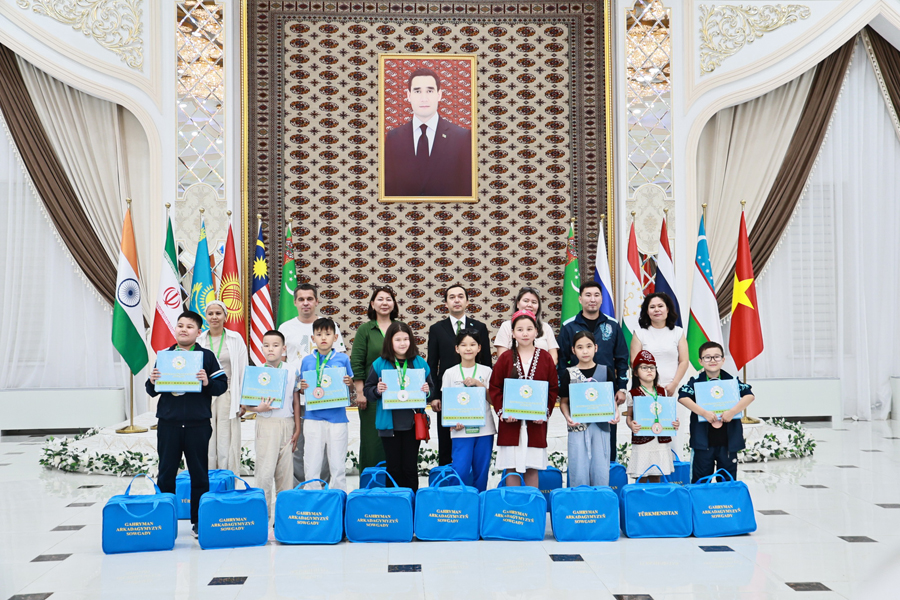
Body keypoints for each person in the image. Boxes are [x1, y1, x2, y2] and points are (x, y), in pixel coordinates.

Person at [147, 310, 227, 536]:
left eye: (189, 326)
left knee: (199, 474)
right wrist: (152, 381)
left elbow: (222, 386)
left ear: (198, 332)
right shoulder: (165, 355)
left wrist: (206, 382)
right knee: (166, 473)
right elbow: (152, 390)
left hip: (197, 424)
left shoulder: (206, 356)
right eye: (180, 325)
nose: (183, 329)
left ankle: (199, 520)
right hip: (168, 422)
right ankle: (165, 519)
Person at [279, 283, 347, 484]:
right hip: (297, 394)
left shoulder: (329, 325)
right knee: (300, 445)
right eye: (301, 299)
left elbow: (340, 359)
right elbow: (282, 362)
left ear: (317, 301)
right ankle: (303, 487)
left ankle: (325, 487)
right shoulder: (286, 327)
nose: (306, 303)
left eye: (310, 299)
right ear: (295, 302)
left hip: (327, 396)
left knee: (327, 447)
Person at [557, 281, 629, 461]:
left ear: (601, 299)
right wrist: (566, 385)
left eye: (596, 295)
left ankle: (608, 481)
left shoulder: (612, 325)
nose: (592, 299)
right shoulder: (569, 326)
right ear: (580, 299)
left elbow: (621, 358)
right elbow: (560, 360)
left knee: (606, 443)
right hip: (578, 394)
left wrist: (621, 387)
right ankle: (581, 483)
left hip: (606, 392)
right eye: (588, 295)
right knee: (579, 442)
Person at [489, 310, 559, 489]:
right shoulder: (505, 358)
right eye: (520, 329)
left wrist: (544, 412)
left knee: (532, 467)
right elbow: (495, 387)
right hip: (511, 422)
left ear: (537, 331)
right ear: (512, 333)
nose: (525, 333)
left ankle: (531, 508)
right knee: (511, 468)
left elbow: (552, 387)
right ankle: (514, 510)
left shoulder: (545, 358)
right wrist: (503, 411)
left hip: (536, 423)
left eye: (529, 329)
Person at [426, 282, 493, 466]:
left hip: (476, 396)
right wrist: (434, 396)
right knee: (447, 444)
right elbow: (432, 364)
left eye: (460, 296)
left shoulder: (479, 326)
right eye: (452, 297)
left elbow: (486, 361)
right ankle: (451, 488)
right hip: (448, 395)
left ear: (467, 301)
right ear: (446, 303)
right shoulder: (437, 329)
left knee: (476, 446)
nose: (457, 300)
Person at [363, 322, 434, 491]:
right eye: (398, 339)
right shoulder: (380, 364)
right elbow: (368, 391)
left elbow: (431, 389)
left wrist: (427, 391)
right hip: (389, 425)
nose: (402, 343)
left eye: (406, 339)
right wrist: (377, 390)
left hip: (412, 424)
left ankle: (411, 504)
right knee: (393, 468)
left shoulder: (419, 363)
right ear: (389, 342)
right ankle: (394, 505)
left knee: (410, 468)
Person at [383, 67, 472, 197]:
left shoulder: (462, 138)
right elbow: (388, 189)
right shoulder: (394, 138)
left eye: (430, 91)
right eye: (417, 91)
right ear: (409, 95)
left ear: (439, 95)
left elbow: (466, 189)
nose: (424, 98)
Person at [242, 330, 301, 521]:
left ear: (283, 348)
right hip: (266, 423)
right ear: (261, 348)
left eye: (275, 345)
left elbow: (295, 399)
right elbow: (246, 404)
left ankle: (284, 518)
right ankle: (262, 517)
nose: (271, 349)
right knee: (264, 472)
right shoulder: (256, 372)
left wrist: (297, 427)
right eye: (266, 345)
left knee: (285, 474)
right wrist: (258, 408)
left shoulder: (292, 370)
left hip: (287, 423)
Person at [678, 341, 755, 483]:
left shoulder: (731, 381)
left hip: (727, 441)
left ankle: (724, 505)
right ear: (700, 361)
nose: (712, 360)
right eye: (707, 357)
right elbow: (683, 398)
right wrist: (703, 412)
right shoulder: (695, 381)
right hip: (703, 442)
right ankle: (701, 505)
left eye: (716, 357)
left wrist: (732, 412)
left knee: (727, 480)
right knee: (700, 480)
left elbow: (749, 395)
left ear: (723, 360)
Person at [297, 318, 354, 491]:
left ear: (335, 337)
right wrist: (302, 387)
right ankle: (312, 497)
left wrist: (348, 382)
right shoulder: (307, 360)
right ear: (312, 338)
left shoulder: (342, 359)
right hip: (313, 416)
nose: (323, 338)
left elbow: (350, 383)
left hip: (337, 417)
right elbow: (301, 387)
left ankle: (339, 498)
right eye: (319, 334)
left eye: (328, 334)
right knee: (312, 461)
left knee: (337, 462)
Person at [631, 292, 690, 459]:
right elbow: (635, 363)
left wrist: (673, 384)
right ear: (646, 311)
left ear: (667, 309)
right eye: (652, 307)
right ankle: (650, 471)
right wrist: (650, 387)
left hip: (672, 389)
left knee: (672, 430)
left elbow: (684, 361)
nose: (656, 310)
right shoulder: (640, 333)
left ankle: (674, 471)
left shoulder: (677, 332)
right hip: (646, 390)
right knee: (649, 432)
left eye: (660, 306)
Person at [558, 331, 620, 487]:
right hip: (577, 425)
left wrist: (616, 412)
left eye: (588, 346)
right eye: (580, 347)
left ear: (596, 348)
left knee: (601, 465)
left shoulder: (606, 371)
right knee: (578, 466)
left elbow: (611, 399)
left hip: (601, 425)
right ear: (573, 350)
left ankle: (600, 502)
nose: (585, 351)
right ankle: (580, 504)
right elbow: (564, 401)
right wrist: (568, 417)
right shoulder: (568, 373)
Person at [350, 286, 402, 471]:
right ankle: (371, 488)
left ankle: (394, 489)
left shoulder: (400, 328)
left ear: (394, 304)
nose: (384, 303)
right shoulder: (365, 329)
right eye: (380, 299)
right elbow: (356, 362)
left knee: (397, 443)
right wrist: (360, 392)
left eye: (388, 299)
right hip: (371, 397)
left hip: (398, 397)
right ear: (372, 304)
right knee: (373, 442)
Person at [437, 329, 495, 492]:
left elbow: (493, 400)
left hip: (484, 430)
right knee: (460, 471)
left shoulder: (487, 371)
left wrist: (479, 384)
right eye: (463, 345)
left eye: (472, 344)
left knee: (481, 472)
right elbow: (447, 402)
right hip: (460, 430)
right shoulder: (450, 372)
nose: (468, 348)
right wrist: (451, 423)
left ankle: (479, 504)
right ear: (457, 349)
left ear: (479, 348)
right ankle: (459, 507)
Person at [198, 301, 247, 473]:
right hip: (204, 395)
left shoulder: (235, 339)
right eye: (210, 313)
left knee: (226, 441)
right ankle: (207, 481)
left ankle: (226, 480)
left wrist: (243, 400)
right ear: (206, 317)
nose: (214, 317)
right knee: (206, 440)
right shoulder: (199, 340)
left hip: (228, 394)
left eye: (218, 313)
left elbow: (242, 370)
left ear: (225, 316)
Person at [625, 350, 680, 482]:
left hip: (660, 439)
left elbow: (669, 414)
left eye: (652, 367)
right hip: (643, 440)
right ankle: (641, 500)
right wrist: (631, 424)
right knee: (642, 474)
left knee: (657, 474)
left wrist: (675, 422)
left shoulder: (662, 391)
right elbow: (629, 417)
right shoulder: (632, 393)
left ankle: (656, 500)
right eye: (644, 367)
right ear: (636, 372)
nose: (649, 370)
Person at [494, 287, 559, 364]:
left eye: (534, 302)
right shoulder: (506, 326)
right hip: (513, 373)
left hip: (542, 373)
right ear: (518, 304)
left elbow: (553, 356)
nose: (530, 305)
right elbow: (502, 356)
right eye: (526, 301)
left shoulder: (546, 327)